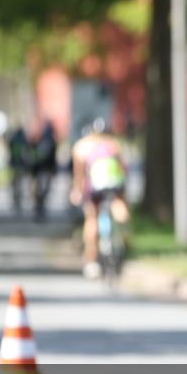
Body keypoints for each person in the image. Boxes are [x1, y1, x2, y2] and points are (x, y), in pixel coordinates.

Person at [69, 118, 129, 279]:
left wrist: (77, 191)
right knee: (120, 209)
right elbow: (124, 169)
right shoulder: (114, 144)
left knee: (92, 218)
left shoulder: (81, 146)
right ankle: (124, 238)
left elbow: (79, 174)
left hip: (95, 187)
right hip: (115, 184)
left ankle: (91, 262)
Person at [30, 120, 58, 222]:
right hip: (41, 170)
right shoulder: (42, 142)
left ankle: (40, 208)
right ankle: (39, 208)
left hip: (43, 170)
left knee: (41, 191)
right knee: (40, 191)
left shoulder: (46, 142)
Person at [6, 124, 31, 214]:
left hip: (16, 164)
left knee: (16, 183)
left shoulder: (14, 140)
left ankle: (16, 199)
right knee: (18, 183)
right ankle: (17, 199)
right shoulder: (22, 140)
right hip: (19, 164)